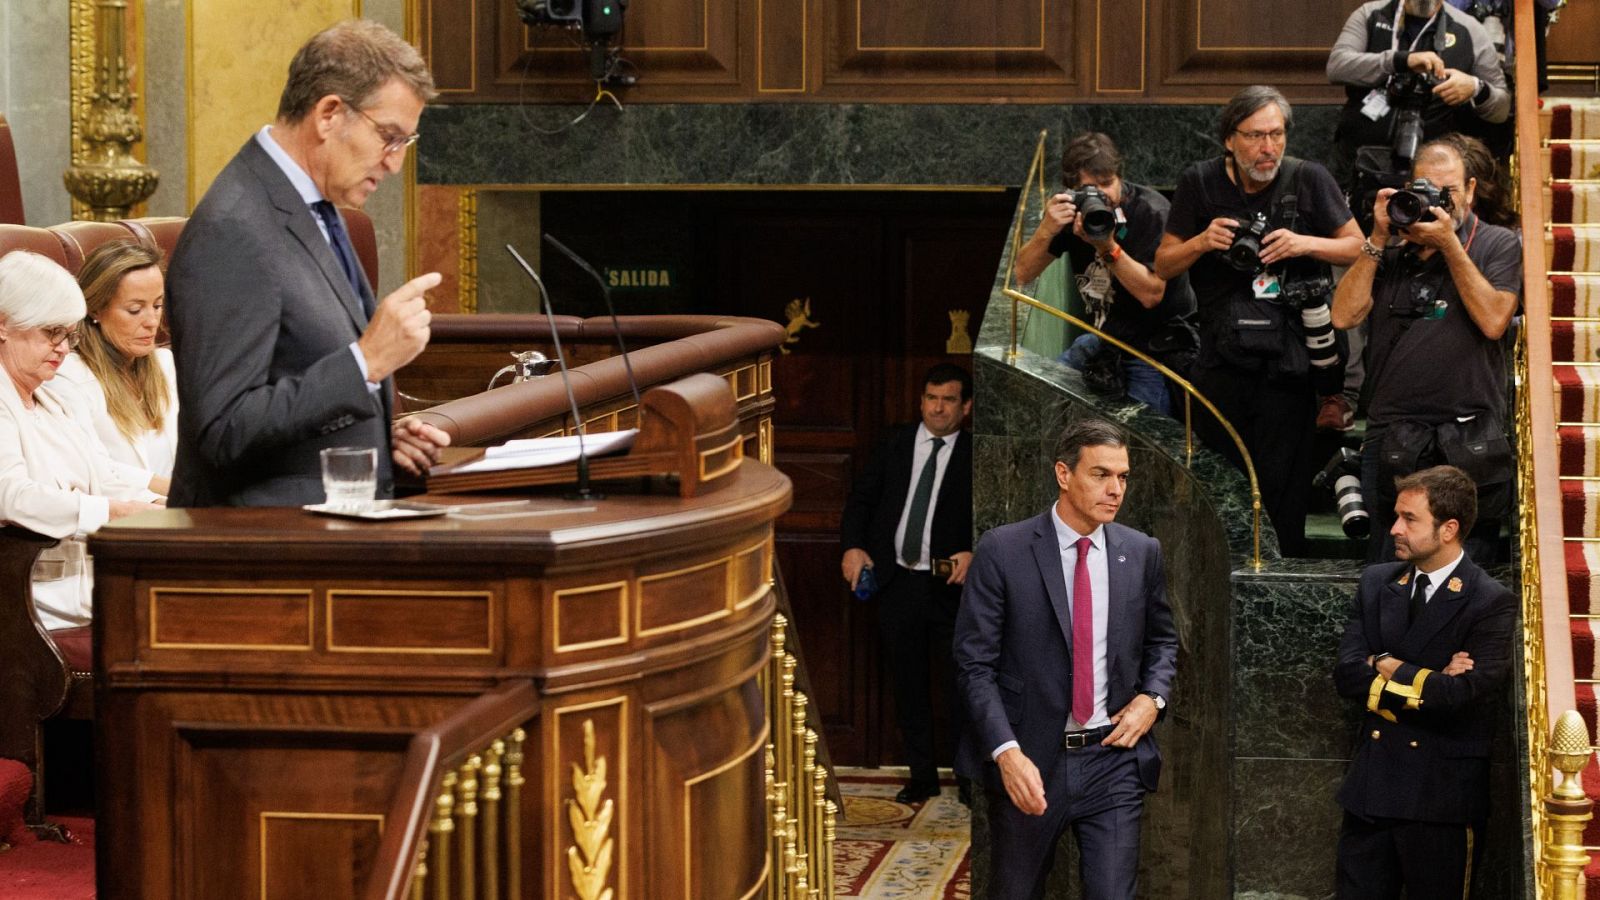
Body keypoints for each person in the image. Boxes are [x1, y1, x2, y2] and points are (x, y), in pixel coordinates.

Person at [166, 19, 449, 507]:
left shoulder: (316, 208)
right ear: (329, 114)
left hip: (323, 542)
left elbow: (301, 379)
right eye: (389, 136)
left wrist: (381, 439)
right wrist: (367, 362)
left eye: (406, 142)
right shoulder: (234, 228)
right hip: (258, 559)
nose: (395, 162)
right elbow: (223, 429)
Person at [954, 418, 1178, 900]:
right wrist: (1006, 753)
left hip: (1113, 758)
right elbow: (974, 666)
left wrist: (1152, 699)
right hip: (1031, 755)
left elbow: (1163, 641)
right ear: (1063, 473)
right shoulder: (1003, 550)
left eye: (1123, 477)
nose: (1115, 489)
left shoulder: (1141, 552)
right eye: (1100, 474)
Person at [1155, 85, 1363, 557]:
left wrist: (1303, 244)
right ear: (1230, 139)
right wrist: (1203, 241)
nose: (1269, 148)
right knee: (1217, 488)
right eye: (1256, 136)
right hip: (1220, 364)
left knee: (1281, 495)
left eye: (1277, 134)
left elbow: (1356, 247)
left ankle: (1274, 587)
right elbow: (1164, 265)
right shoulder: (1200, 182)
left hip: (1288, 371)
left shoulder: (1308, 179)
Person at [1330, 135, 1519, 564]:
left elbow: (1493, 320)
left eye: (1447, 191)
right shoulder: (1391, 252)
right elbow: (1342, 316)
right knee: (1390, 569)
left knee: (1466, 576)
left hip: (1470, 439)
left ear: (1470, 190)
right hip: (1395, 438)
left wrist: (1450, 245)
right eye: (1424, 189)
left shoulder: (1497, 244)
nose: (1435, 201)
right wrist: (1377, 238)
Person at [1332, 465, 1514, 899]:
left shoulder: (1489, 600)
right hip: (1372, 791)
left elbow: (1460, 697)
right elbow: (1347, 674)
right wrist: (1428, 679)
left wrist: (1391, 665)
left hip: (1441, 800)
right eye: (1396, 516)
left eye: (1409, 519)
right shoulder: (1378, 582)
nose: (1394, 528)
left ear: (1449, 528)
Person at [0, 251, 161, 630]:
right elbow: (10, 494)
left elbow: (102, 472)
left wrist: (172, 505)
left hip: (85, 574)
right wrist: (111, 512)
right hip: (31, 588)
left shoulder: (51, 395)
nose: (63, 348)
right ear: (3, 325)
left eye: (69, 335)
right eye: (50, 333)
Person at [840, 363, 973, 805]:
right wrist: (853, 546)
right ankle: (921, 777)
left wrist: (976, 552)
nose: (938, 407)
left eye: (948, 399)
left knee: (962, 687)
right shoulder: (895, 443)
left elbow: (997, 517)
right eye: (931, 398)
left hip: (951, 589)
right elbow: (861, 499)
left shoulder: (976, 453)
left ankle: (969, 780)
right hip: (897, 583)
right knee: (907, 684)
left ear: (965, 407)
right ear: (921, 401)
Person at [1013, 132, 1195, 416]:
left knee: (1143, 433)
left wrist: (1106, 246)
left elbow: (1151, 294)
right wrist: (1046, 230)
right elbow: (1022, 274)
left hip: (1156, 347)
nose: (1103, 196)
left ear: (1120, 177)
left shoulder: (1151, 211)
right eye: (1091, 188)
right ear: (1072, 190)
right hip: (1105, 339)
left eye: (1108, 183)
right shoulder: (1072, 214)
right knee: (1041, 406)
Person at [1327, 0, 1511, 190]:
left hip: (1438, 174)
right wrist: (1400, 60)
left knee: (1440, 215)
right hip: (1359, 163)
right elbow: (1336, 67)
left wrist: (1475, 87)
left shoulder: (1469, 29)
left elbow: (1502, 109)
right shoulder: (1371, 14)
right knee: (1348, 216)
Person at [53, 239, 177, 497]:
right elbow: (92, 469)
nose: (152, 322)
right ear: (95, 308)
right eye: (135, 310)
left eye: (157, 305)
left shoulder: (166, 365)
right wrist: (181, 493)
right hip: (125, 517)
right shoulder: (69, 376)